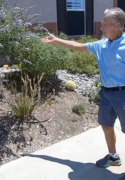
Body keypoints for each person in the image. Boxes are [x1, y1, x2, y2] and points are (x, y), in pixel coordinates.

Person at [41, 7, 125, 180]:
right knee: (106, 125)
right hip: (106, 94)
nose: (101, 27)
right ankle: (113, 156)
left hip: (123, 95)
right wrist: (56, 40)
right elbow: (78, 46)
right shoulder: (101, 44)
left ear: (117, 25)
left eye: (104, 24)